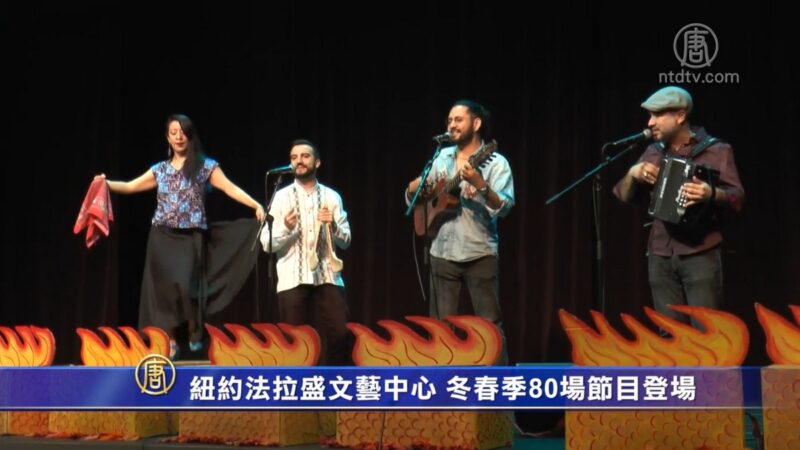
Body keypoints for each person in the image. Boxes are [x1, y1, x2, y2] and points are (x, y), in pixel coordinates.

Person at [96, 114, 265, 359]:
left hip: (190, 238)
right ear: (167, 137)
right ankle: (171, 340)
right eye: (173, 132)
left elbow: (230, 188)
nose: (178, 137)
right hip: (161, 237)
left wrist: (255, 205)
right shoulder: (160, 170)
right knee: (164, 293)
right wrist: (106, 183)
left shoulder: (205, 166)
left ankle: (195, 330)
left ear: (190, 136)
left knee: (186, 288)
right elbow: (131, 186)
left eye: (183, 132)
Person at [613, 86, 745, 328]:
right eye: (650, 115)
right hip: (660, 253)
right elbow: (623, 195)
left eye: (658, 115)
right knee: (670, 335)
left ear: (681, 116)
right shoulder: (653, 152)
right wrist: (632, 174)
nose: (650, 122)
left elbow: (737, 197)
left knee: (707, 332)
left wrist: (711, 193)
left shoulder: (716, 150)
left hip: (700, 252)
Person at [405, 100, 515, 364]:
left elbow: (505, 207)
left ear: (476, 124)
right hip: (442, 252)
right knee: (441, 328)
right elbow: (417, 196)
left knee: (489, 325)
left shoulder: (496, 162)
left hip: (480, 251)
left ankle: (498, 386)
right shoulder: (441, 157)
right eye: (449, 120)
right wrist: (412, 189)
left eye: (458, 120)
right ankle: (443, 385)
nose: (451, 125)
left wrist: (480, 185)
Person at [260, 139, 352, 365]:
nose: (299, 161)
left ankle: (334, 381)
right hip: (293, 275)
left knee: (341, 333)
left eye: (304, 156)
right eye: (294, 158)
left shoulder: (332, 196)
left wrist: (334, 226)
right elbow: (266, 243)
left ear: (317, 162)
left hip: (327, 274)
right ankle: (300, 384)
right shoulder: (281, 197)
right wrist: (285, 228)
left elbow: (346, 241)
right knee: (294, 342)